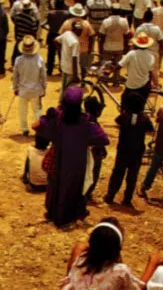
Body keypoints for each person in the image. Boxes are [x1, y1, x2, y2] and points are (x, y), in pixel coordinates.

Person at [56, 218, 163, 290]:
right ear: (117, 249)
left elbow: (78, 256)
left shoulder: (81, 259)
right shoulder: (120, 271)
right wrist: (152, 264)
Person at [35, 86, 109, 227]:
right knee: (74, 188)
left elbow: (40, 128)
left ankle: (53, 213)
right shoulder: (85, 122)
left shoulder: (57, 118)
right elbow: (104, 139)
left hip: (59, 161)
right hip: (77, 164)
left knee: (55, 186)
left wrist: (46, 118)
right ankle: (71, 215)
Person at [105, 92, 154, 206]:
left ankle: (110, 195)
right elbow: (150, 129)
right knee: (132, 176)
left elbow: (117, 121)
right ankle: (127, 199)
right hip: (137, 152)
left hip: (123, 150)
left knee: (118, 173)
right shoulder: (144, 119)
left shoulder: (124, 116)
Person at [12, 35, 47, 136]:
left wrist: (15, 88)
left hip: (23, 90)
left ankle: (24, 129)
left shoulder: (18, 60)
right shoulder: (39, 59)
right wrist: (44, 88)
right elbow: (43, 76)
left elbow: (15, 76)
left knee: (22, 111)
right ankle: (39, 129)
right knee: (37, 111)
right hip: (36, 90)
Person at [59, 4, 94, 78]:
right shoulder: (86, 23)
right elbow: (91, 36)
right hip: (83, 49)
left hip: (70, 50)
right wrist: (90, 49)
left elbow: (60, 35)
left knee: (71, 67)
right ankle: (83, 81)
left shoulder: (67, 22)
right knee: (83, 67)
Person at [119, 32, 154, 102]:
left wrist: (110, 71)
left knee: (125, 101)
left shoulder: (132, 54)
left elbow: (120, 65)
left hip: (132, 85)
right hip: (144, 85)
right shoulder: (151, 56)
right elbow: (150, 71)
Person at [55, 19, 82, 93]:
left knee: (64, 88)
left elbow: (56, 40)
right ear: (73, 29)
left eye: (81, 29)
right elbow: (74, 58)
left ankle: (61, 102)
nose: (80, 31)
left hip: (64, 66)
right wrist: (75, 75)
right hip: (72, 70)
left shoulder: (67, 33)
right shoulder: (75, 42)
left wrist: (61, 54)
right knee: (72, 92)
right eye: (78, 30)